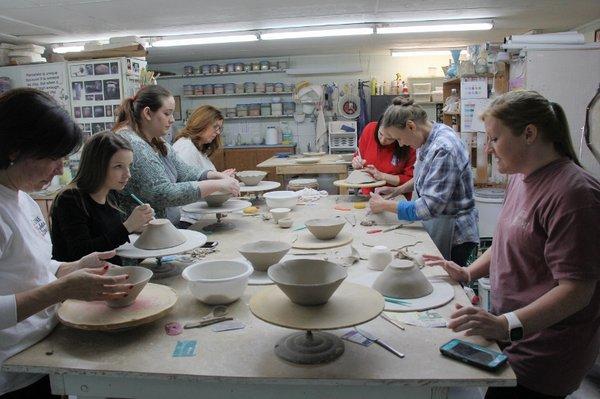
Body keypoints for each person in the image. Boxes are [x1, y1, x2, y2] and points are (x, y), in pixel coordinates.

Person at [425, 91, 600, 399]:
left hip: (546, 352)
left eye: (494, 139)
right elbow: (508, 240)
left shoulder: (574, 195)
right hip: (514, 335)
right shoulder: (521, 177)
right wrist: (467, 273)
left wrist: (505, 326)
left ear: (529, 134)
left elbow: (577, 291)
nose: (489, 150)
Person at [0, 88, 131, 398]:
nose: (61, 169)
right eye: (53, 157)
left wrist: (73, 268)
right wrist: (62, 289)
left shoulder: (22, 198)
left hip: (43, 348)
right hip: (13, 370)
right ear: (15, 150)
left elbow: (34, 268)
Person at [369, 97, 479, 266]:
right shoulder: (428, 136)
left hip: (454, 235)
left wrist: (384, 205)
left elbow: (429, 207)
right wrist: (397, 190)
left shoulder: (444, 148)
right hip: (439, 222)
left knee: (447, 285)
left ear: (411, 126)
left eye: (398, 138)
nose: (401, 144)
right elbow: (425, 176)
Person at [112, 85, 239, 225]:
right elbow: (163, 193)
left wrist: (216, 175)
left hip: (162, 229)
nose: (172, 119)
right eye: (167, 113)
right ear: (147, 113)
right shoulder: (132, 143)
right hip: (141, 235)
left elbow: (183, 171)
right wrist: (217, 185)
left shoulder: (155, 139)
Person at [50, 132, 155, 265]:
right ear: (97, 166)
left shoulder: (111, 193)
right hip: (82, 281)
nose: (127, 174)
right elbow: (81, 253)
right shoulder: (70, 198)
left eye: (129, 166)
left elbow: (106, 236)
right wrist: (127, 227)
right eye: (118, 166)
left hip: (110, 274)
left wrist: (136, 227)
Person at [351, 118, 416, 197]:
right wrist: (356, 162)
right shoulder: (370, 129)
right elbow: (359, 154)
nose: (382, 140)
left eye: (389, 138)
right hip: (368, 194)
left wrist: (382, 176)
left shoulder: (407, 144)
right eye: (380, 134)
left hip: (395, 196)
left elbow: (411, 180)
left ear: (399, 136)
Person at [173, 105, 235, 175]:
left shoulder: (197, 147)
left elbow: (199, 178)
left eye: (219, 128)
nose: (218, 132)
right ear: (201, 124)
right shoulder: (186, 147)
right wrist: (220, 179)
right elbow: (184, 183)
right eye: (215, 127)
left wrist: (221, 176)